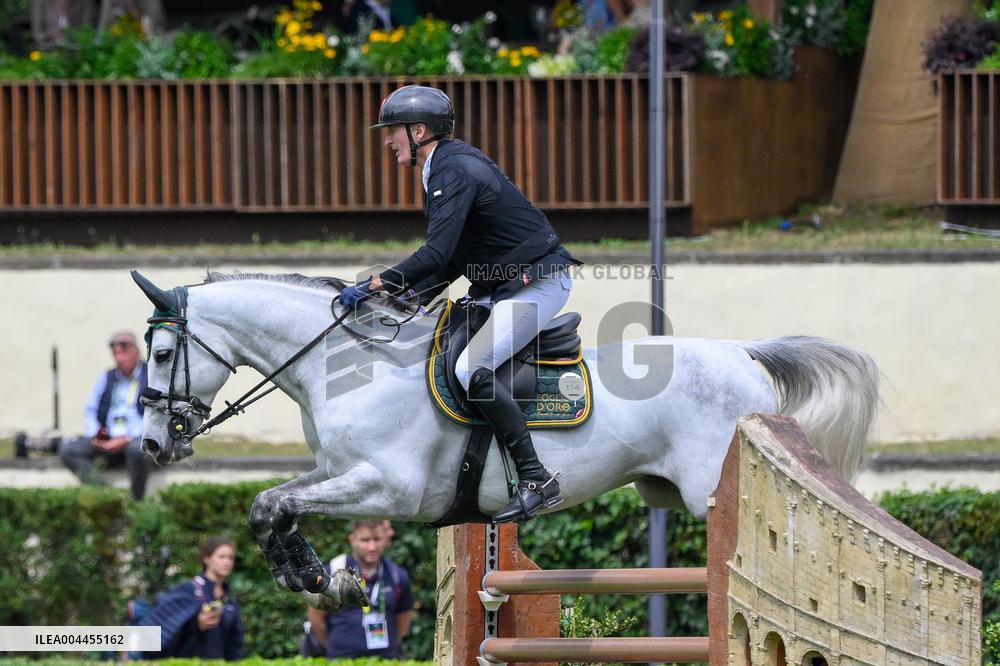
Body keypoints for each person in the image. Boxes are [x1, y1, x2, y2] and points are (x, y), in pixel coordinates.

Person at [339, 84, 581, 523]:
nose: (386, 140)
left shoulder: (453, 170)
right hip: (500, 285)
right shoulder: (441, 167)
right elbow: (453, 257)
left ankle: (535, 478)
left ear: (418, 131)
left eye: (391, 131)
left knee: (473, 367)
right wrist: (409, 295)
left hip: (536, 285)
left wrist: (376, 284)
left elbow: (435, 255)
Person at [58, 330, 152, 500]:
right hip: (108, 438)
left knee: (137, 450)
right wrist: (96, 435)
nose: (119, 358)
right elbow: (90, 410)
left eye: (124, 352)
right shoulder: (106, 377)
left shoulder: (151, 376)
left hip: (137, 438)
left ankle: (138, 501)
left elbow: (155, 415)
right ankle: (108, 495)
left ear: (137, 352)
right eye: (115, 353)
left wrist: (127, 438)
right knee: (68, 450)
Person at [305, 520, 414, 659]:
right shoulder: (333, 571)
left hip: (386, 659)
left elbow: (404, 620)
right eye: (365, 540)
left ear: (386, 539)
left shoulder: (397, 575)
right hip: (341, 659)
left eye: (377, 539)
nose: (372, 546)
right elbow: (316, 616)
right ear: (352, 539)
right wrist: (330, 645)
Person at [135, 536, 245, 660]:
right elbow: (163, 635)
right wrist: (196, 625)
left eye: (231, 557)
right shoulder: (187, 591)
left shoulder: (230, 601)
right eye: (221, 557)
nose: (227, 562)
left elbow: (235, 647)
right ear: (206, 559)